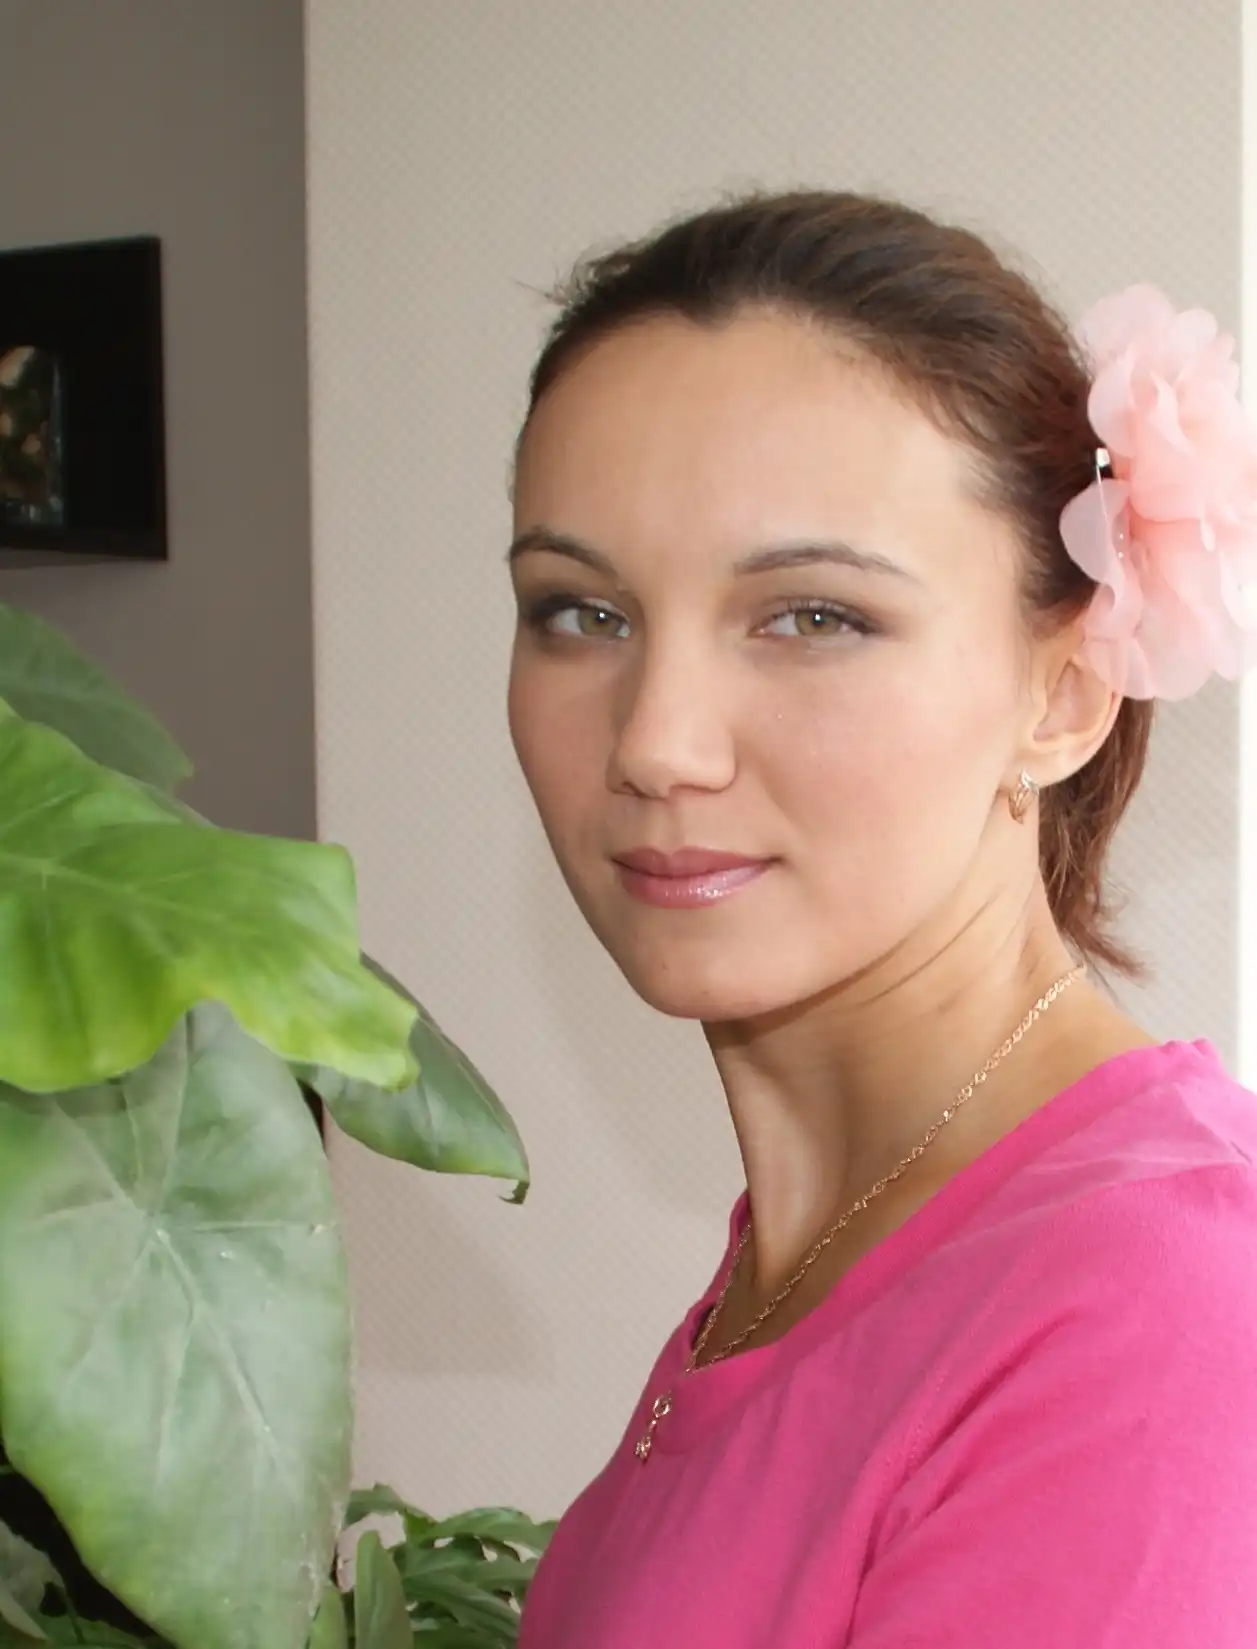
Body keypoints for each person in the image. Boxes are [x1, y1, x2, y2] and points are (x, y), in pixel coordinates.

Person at [504, 189, 1257, 1647]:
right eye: (583, 612)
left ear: (1064, 695)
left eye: (813, 617)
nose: (656, 743)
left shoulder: (1155, 1312)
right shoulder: (815, 1253)